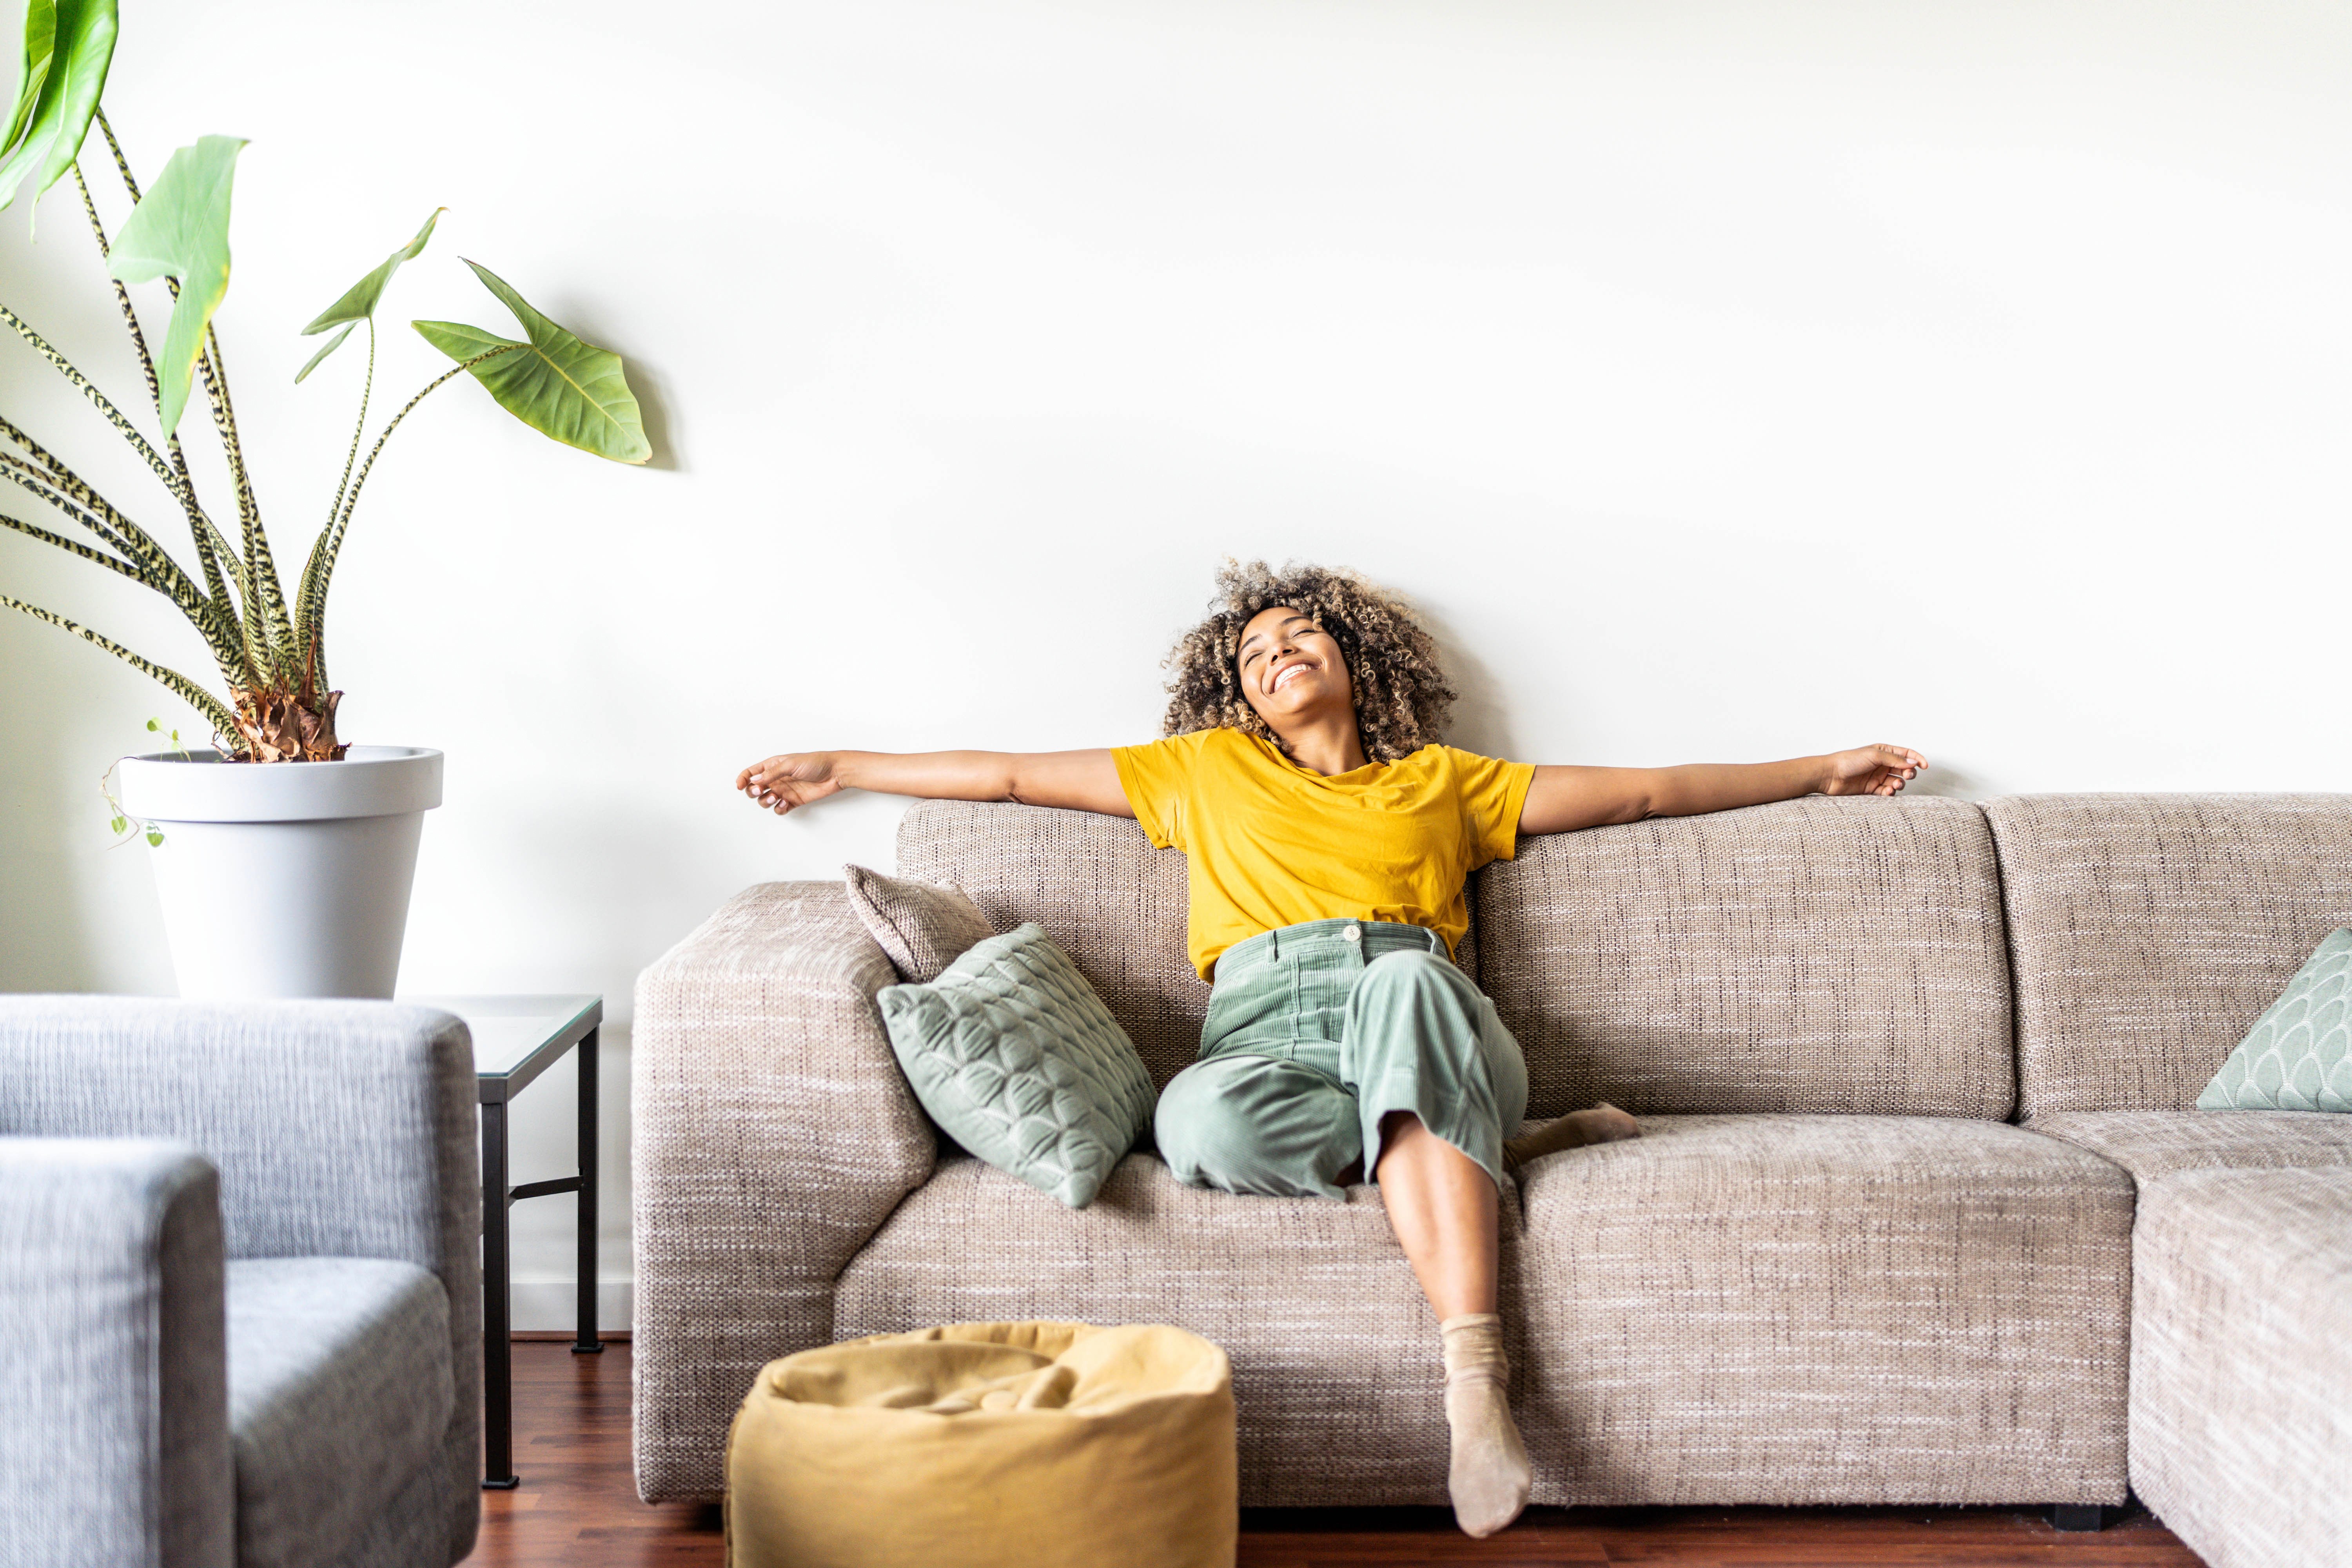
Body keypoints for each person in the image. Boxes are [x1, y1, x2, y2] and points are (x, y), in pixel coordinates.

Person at [735, 560, 1925, 1538]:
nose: (1278, 652)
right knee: (1195, 1125)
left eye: (1301, 634)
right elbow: (999, 776)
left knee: (1408, 976)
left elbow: (1646, 797)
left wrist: (1820, 770)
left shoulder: (1443, 784)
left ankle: (1473, 1379)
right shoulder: (1202, 774)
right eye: (1254, 653)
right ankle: (1501, 1143)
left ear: (1356, 661)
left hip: (1415, 998)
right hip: (1264, 1027)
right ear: (1240, 697)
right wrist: (841, 765)